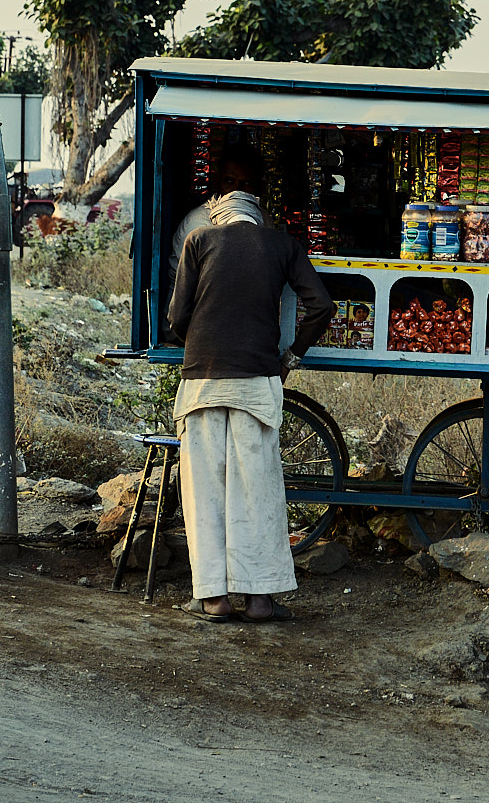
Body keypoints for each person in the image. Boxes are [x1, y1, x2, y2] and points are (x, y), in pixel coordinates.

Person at [163, 149, 333, 624]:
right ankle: (259, 600)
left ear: (218, 210)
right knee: (257, 493)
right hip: (258, 383)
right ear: (258, 212)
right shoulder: (283, 245)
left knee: (204, 494)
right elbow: (321, 307)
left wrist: (199, 339)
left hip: (201, 382)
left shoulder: (198, 240)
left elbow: (177, 318)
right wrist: (291, 356)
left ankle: (214, 599)